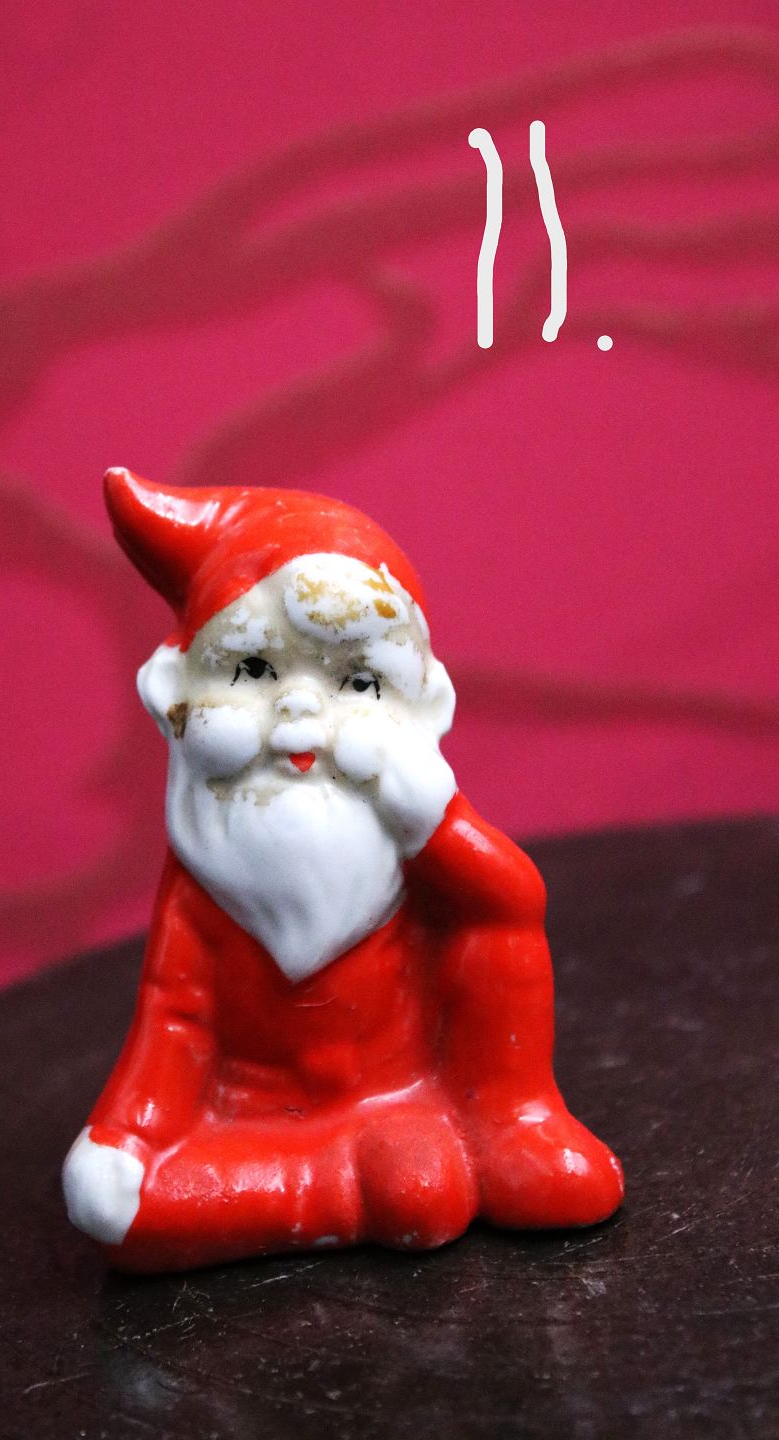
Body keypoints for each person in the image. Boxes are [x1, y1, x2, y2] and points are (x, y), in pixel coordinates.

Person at [63, 469, 623, 1272]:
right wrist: (128, 1136)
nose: (302, 716)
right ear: (174, 692)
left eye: (357, 682)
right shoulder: (209, 879)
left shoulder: (410, 838)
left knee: (487, 937)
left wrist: (439, 826)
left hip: (403, 1099)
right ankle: (334, 1189)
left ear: (421, 705)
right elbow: (174, 1022)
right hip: (253, 1131)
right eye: (255, 671)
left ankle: (508, 1128)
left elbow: (511, 906)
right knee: (113, 1205)